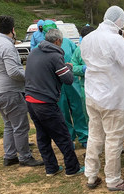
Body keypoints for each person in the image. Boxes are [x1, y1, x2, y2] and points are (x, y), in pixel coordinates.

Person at [81, 6, 124, 191]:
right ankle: (113, 180)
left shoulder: (88, 38)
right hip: (113, 99)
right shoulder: (116, 40)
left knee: (95, 136)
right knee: (113, 139)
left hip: (93, 96)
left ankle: (91, 175)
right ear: (120, 23)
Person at [0, 15, 44, 167]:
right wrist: (31, 77)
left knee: (9, 124)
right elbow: (14, 72)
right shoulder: (6, 46)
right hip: (10, 92)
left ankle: (10, 155)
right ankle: (24, 157)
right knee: (21, 126)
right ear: (12, 30)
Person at [24, 28, 85, 177]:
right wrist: (68, 67)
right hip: (46, 102)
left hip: (30, 100)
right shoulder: (54, 56)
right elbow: (68, 80)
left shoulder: (33, 52)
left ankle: (51, 168)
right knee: (62, 135)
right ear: (58, 41)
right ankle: (72, 168)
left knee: (42, 136)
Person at [41, 20, 89, 149]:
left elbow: (77, 59)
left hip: (72, 82)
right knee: (62, 113)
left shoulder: (67, 43)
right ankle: (69, 139)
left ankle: (84, 136)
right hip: (56, 84)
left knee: (78, 109)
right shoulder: (42, 48)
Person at [71, 25, 95, 123]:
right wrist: (83, 69)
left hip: (103, 87)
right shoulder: (79, 50)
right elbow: (72, 68)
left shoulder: (103, 48)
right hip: (86, 88)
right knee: (90, 118)